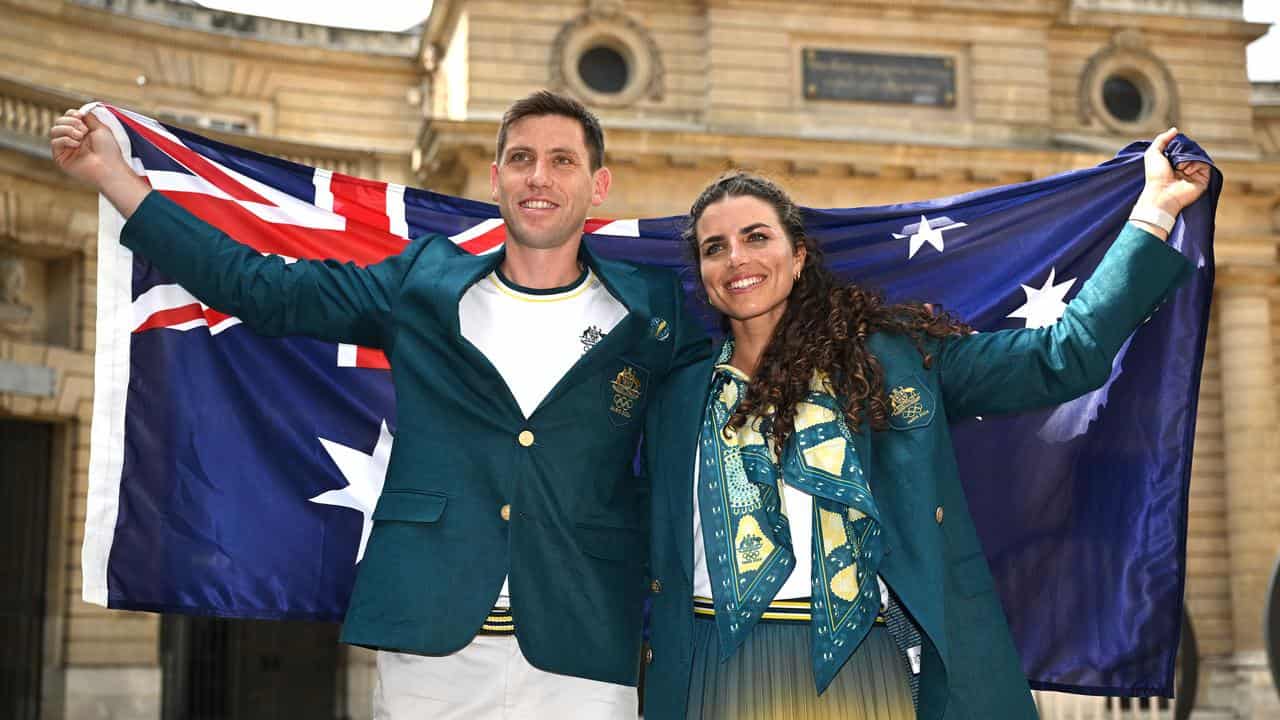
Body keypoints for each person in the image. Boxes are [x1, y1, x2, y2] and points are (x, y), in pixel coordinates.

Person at [50, 91, 709, 719]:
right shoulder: (421, 281)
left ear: (598, 185)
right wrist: (114, 176)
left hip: (584, 643)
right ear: (495, 179)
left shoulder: (653, 306)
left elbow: (722, 406)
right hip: (430, 640)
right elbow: (259, 288)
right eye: (521, 158)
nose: (539, 177)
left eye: (563, 160)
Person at [641, 128, 1210, 720]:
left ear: (799, 254)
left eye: (757, 237)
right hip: (707, 668)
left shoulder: (897, 361)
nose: (737, 259)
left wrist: (1154, 211)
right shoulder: (678, 393)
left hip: (858, 665)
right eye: (715, 247)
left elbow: (1064, 356)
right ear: (702, 273)